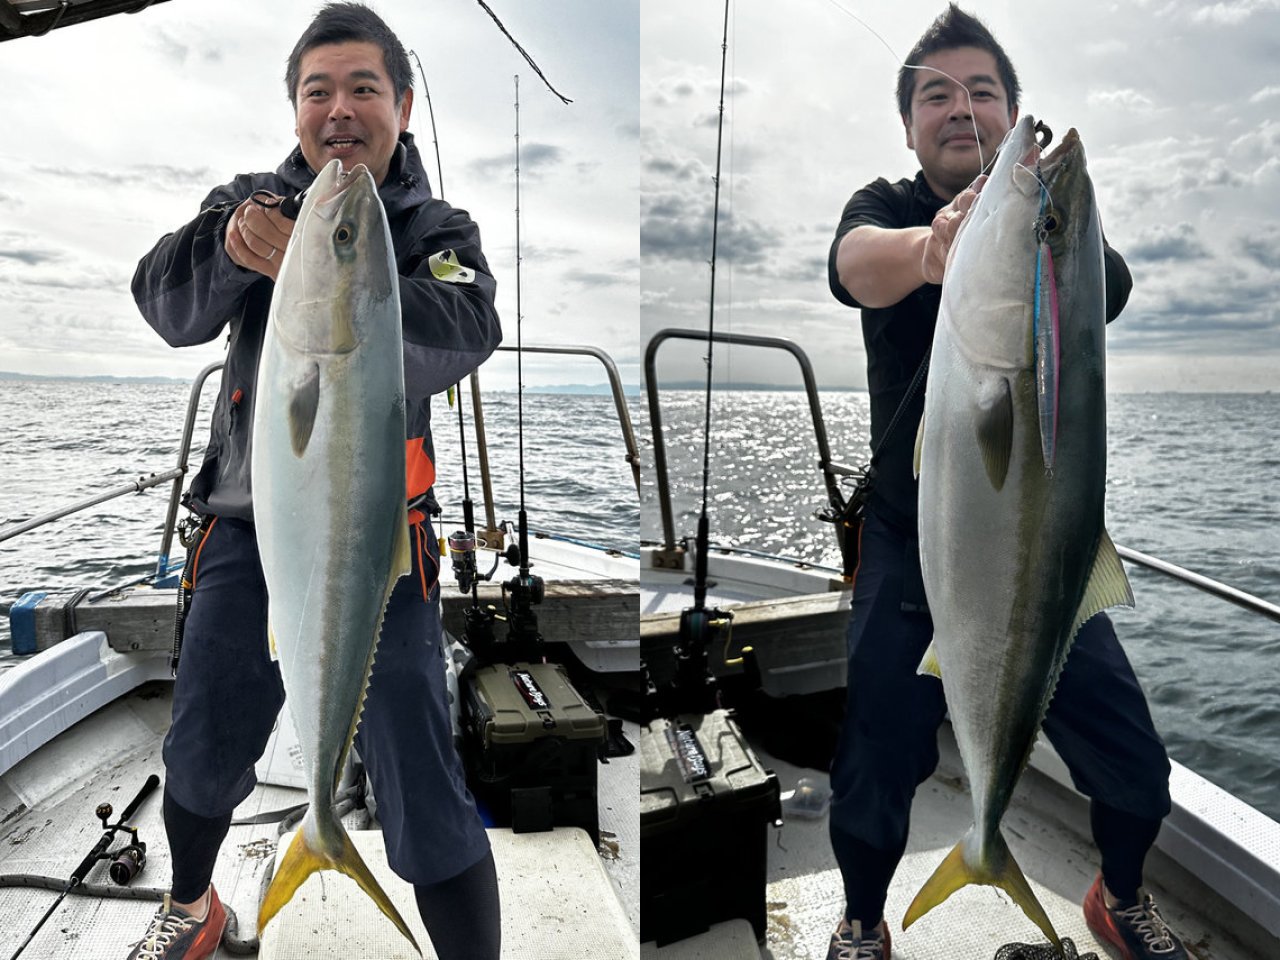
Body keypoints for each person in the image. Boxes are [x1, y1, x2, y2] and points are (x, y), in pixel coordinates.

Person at [128, 5, 501, 959]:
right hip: (245, 529)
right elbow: (163, 304)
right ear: (294, 107)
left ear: (403, 106)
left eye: (365, 88)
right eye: (318, 90)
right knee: (204, 745)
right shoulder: (248, 204)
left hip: (380, 538)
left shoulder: (432, 226)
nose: (341, 109)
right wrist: (230, 248)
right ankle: (193, 903)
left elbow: (466, 327)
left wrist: (347, 268)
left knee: (420, 769)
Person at [824, 6, 1188, 960]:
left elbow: (1100, 285)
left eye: (983, 90)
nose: (962, 107)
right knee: (873, 764)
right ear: (908, 123)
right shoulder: (887, 206)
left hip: (1048, 560)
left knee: (1138, 769)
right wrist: (934, 250)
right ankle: (864, 921)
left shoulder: (1053, 232)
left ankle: (1119, 895)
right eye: (935, 93)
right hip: (912, 549)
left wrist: (1025, 219)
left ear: (1011, 108)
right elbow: (856, 266)